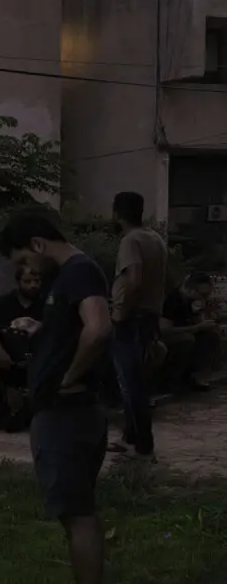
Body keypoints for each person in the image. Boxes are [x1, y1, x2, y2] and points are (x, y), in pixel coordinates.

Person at [0, 213, 113, 584]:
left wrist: (69, 377)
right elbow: (75, 330)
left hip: (68, 412)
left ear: (38, 244)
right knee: (73, 512)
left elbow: (98, 329)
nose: (25, 269)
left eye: (24, 259)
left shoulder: (78, 271)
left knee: (78, 515)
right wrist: (43, 332)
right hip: (62, 412)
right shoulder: (67, 277)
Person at [109, 191, 167, 459]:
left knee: (130, 383)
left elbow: (134, 279)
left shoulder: (130, 240)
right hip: (150, 315)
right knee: (136, 378)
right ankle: (129, 437)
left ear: (117, 213)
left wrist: (121, 312)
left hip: (133, 318)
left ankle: (143, 445)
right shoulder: (155, 239)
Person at [0, 266, 43, 432]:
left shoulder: (48, 303)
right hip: (10, 357)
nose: (33, 285)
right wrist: (0, 352)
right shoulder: (4, 303)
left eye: (37, 281)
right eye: (28, 281)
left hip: (38, 359)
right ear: (18, 282)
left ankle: (27, 415)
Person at [159, 272, 218, 393]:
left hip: (185, 332)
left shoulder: (191, 301)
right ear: (190, 289)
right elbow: (164, 330)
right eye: (202, 294)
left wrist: (204, 316)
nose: (203, 298)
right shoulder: (172, 300)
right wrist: (197, 327)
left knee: (210, 336)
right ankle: (170, 380)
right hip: (167, 337)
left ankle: (195, 375)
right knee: (186, 340)